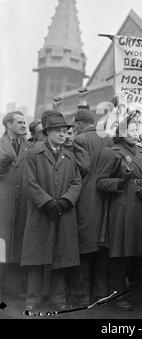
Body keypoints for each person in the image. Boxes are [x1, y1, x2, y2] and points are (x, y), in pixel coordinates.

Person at [21, 113, 82, 312]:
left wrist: (66, 201)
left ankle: (58, 297)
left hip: (63, 213)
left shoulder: (70, 156)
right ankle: (33, 297)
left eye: (65, 132)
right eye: (58, 131)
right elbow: (29, 182)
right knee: (36, 256)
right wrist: (46, 202)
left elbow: (76, 182)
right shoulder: (33, 154)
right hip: (41, 213)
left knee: (61, 255)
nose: (62, 135)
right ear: (47, 132)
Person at [96, 113, 142, 311]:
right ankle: (116, 295)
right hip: (122, 207)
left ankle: (136, 293)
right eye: (131, 129)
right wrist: (121, 182)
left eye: (137, 129)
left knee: (138, 252)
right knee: (119, 253)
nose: (135, 133)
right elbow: (100, 182)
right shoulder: (112, 152)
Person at [69, 109, 113, 306]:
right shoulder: (108, 138)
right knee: (102, 246)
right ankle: (100, 293)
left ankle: (82, 294)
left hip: (87, 197)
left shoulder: (80, 139)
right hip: (106, 196)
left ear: (79, 123)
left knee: (84, 245)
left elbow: (84, 166)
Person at [0, 111, 32, 300]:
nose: (23, 125)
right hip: (3, 203)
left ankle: (12, 287)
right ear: (8, 124)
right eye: (19, 122)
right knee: (2, 244)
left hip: (22, 204)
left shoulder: (27, 146)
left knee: (17, 244)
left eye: (24, 122)